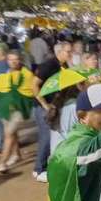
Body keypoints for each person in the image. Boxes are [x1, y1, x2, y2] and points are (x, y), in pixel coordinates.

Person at [32, 41, 72, 183]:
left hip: (55, 106)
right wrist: (44, 104)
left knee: (53, 136)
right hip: (43, 107)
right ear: (59, 52)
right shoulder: (49, 65)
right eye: (68, 51)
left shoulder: (64, 66)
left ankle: (45, 166)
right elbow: (34, 84)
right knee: (46, 137)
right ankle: (38, 169)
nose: (70, 54)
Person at [0, 51, 35, 174]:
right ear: (7, 60)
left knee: (9, 133)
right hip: (5, 108)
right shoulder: (4, 75)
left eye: (16, 59)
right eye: (10, 59)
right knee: (12, 132)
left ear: (20, 59)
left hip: (19, 109)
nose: (13, 62)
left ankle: (2, 163)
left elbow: (32, 91)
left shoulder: (27, 74)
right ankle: (16, 154)